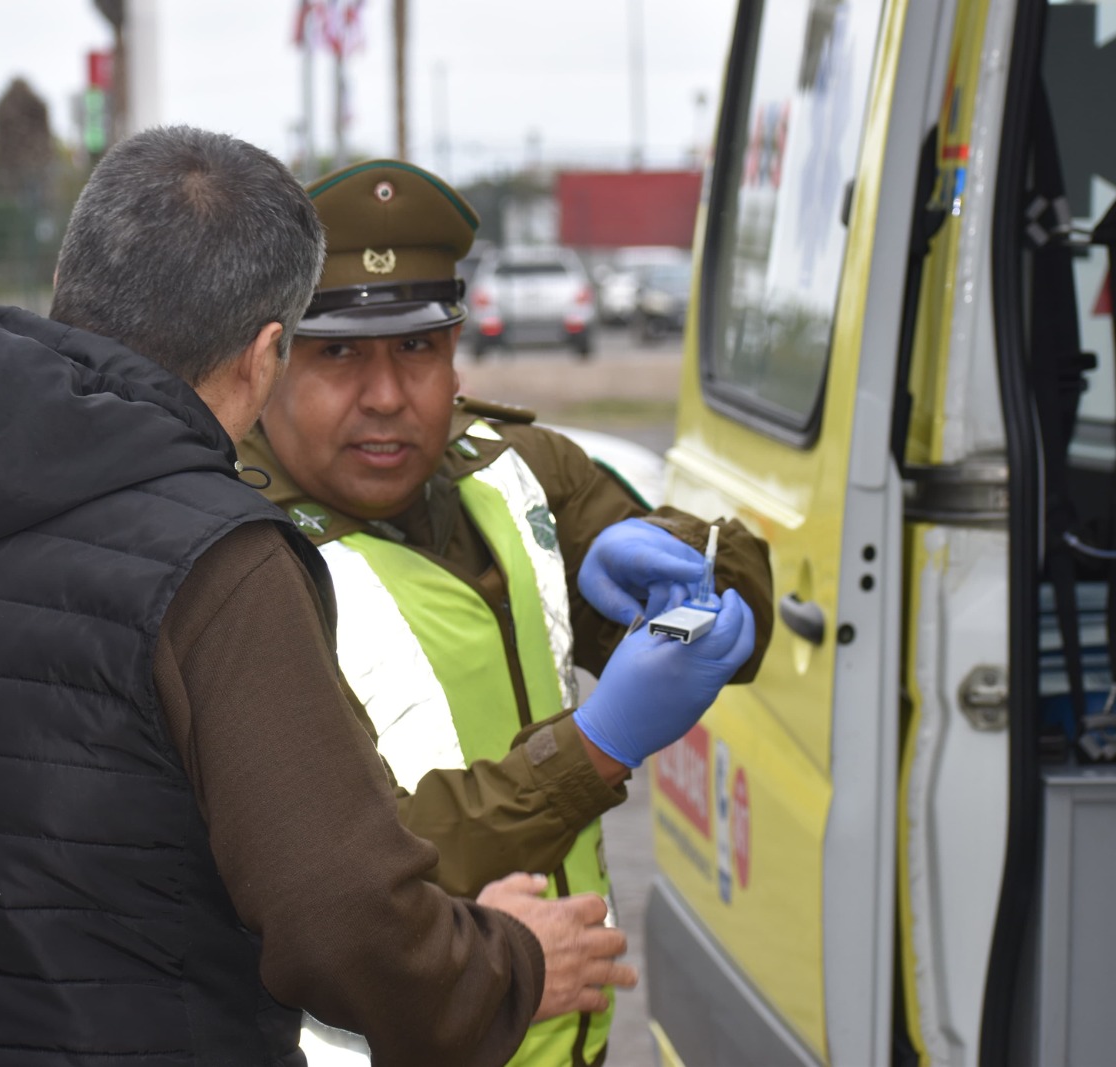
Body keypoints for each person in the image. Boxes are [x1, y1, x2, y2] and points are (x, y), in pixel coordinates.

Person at [0, 129, 667, 1067]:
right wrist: (511, 961)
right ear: (265, 355)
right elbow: (343, 921)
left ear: (74, 284)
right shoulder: (217, 563)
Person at [244, 159, 776, 1067]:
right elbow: (371, 858)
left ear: (457, 349)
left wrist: (692, 569)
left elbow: (739, 595)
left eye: (417, 349)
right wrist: (597, 746)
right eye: (340, 354)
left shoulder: (509, 463)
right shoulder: (244, 559)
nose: (386, 395)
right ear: (272, 359)